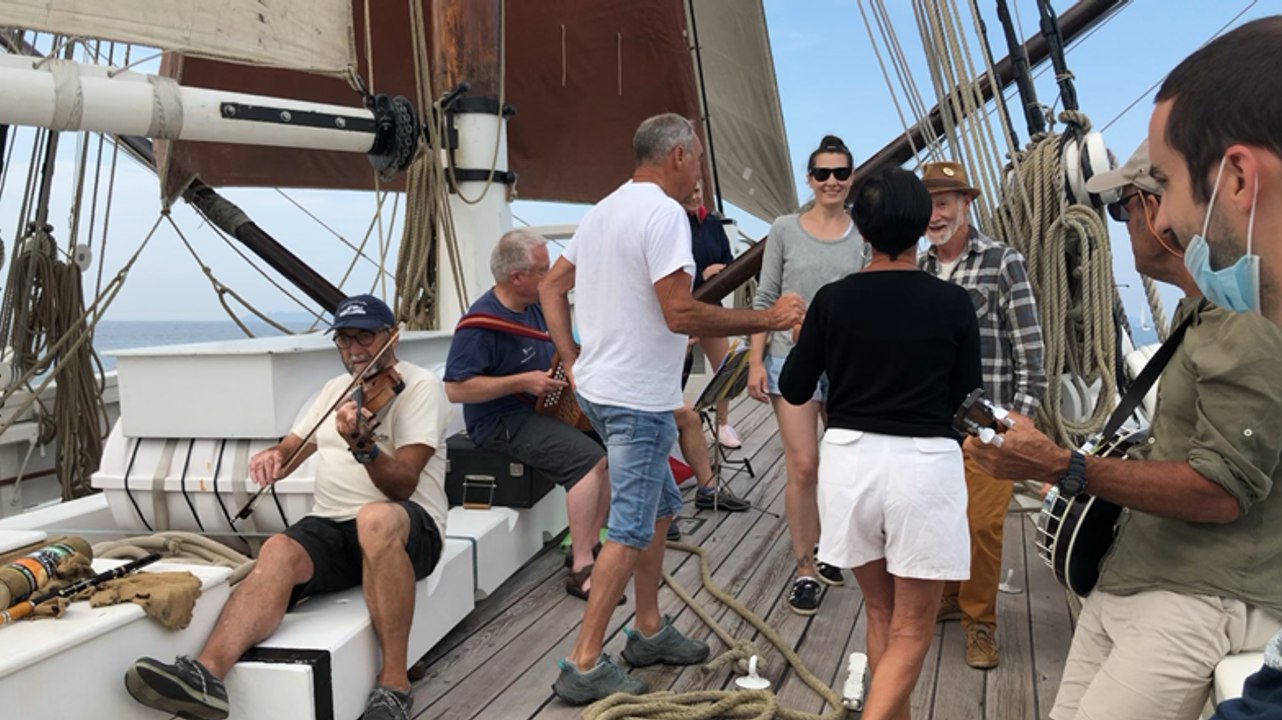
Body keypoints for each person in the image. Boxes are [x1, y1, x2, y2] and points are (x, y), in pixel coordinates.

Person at [967, 21, 1282, 714]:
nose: (1150, 219)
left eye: (1130, 202)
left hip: (1198, 597)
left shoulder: (1246, 321)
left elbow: (1221, 489)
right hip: (1140, 575)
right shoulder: (1205, 314)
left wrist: (1061, 466)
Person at [540, 112, 804, 705]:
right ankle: (583, 663)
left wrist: (572, 357)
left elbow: (550, 287)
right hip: (634, 398)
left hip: (605, 390)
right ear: (680, 156)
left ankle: (649, 629)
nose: (701, 175)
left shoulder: (604, 209)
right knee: (632, 525)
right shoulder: (663, 214)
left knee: (659, 504)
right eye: (701, 162)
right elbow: (679, 314)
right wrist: (769, 317)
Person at [124, 294, 450, 720]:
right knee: (278, 548)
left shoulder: (420, 386)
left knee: (374, 518)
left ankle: (394, 685)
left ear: (392, 337)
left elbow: (403, 484)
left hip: (410, 531)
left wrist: (366, 448)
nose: (354, 350)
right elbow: (296, 444)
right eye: (345, 339)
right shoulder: (335, 392)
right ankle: (206, 676)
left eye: (366, 336)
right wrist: (274, 457)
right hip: (336, 527)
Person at [780, 168, 979, 720]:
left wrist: (808, 338)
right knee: (914, 627)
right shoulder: (953, 304)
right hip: (924, 466)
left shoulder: (832, 300)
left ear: (860, 227)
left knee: (880, 610)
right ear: (921, 227)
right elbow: (966, 399)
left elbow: (796, 386)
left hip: (851, 462)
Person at [917, 160, 1046, 669]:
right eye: (927, 203)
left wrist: (1020, 418)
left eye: (945, 202)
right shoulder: (918, 268)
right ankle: (950, 596)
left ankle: (981, 623)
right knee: (936, 518)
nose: (935, 214)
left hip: (987, 423)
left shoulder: (1001, 261)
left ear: (966, 204)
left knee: (983, 525)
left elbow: (1029, 349)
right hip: (929, 423)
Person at [442, 229, 612, 602]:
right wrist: (521, 381)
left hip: (539, 410)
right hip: (499, 420)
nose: (550, 277)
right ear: (516, 277)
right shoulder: (480, 326)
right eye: (542, 270)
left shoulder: (538, 305)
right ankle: (581, 564)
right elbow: (456, 388)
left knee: (609, 447)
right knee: (587, 461)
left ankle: (591, 544)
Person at [747, 134, 866, 616]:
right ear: (809, 179)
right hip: (787, 360)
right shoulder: (783, 229)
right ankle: (804, 568)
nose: (832, 181)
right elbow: (764, 298)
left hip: (847, 364)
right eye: (823, 174)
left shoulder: (864, 234)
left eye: (840, 173)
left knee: (845, 467)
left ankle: (831, 549)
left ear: (851, 178)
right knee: (803, 465)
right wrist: (755, 362)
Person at [682, 181, 742, 449]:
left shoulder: (714, 226)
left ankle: (722, 424)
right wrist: (702, 277)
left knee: (725, 368)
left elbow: (729, 260)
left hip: (711, 309)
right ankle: (677, 424)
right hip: (683, 309)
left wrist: (722, 270)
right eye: (690, 192)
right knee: (675, 374)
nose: (695, 196)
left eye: (698, 191)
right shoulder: (673, 225)